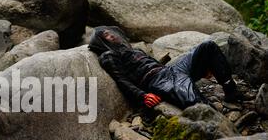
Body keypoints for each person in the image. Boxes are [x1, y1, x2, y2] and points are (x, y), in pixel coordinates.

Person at [88, 26, 243, 109]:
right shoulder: (108, 56)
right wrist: (142, 96)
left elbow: (155, 63)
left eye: (111, 33)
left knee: (207, 46)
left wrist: (201, 69)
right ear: (102, 42)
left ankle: (231, 90)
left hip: (169, 70)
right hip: (157, 82)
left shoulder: (134, 49)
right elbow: (121, 80)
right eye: (107, 36)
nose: (112, 36)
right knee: (200, 107)